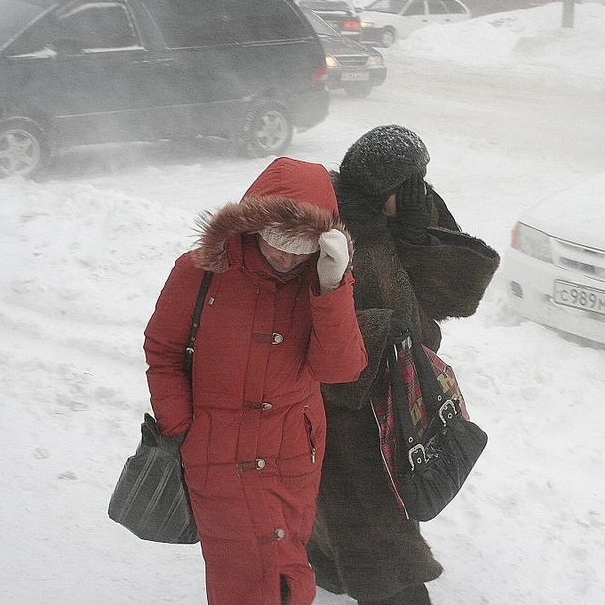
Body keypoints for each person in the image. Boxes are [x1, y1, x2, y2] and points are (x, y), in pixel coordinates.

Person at [143, 157, 368, 605]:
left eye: (299, 247)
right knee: (243, 577)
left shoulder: (322, 282)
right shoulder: (200, 271)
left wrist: (331, 286)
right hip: (216, 451)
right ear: (253, 225)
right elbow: (162, 352)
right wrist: (183, 428)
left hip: (292, 453)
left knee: (287, 564)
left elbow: (341, 370)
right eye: (276, 241)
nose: (286, 257)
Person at [307, 125, 501, 605]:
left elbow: (458, 296)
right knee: (370, 514)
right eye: (411, 181)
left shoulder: (411, 210)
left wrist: (417, 237)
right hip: (347, 405)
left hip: (400, 386)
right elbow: (310, 322)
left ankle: (329, 567)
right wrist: (378, 331)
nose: (423, 189)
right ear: (378, 187)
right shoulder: (328, 226)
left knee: (376, 499)